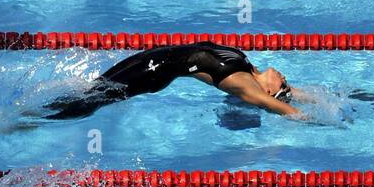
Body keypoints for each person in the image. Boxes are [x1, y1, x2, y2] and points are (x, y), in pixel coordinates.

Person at [38, 39, 303, 119]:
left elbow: (282, 108)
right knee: (93, 90)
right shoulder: (249, 68)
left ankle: (37, 118)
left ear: (268, 93)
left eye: (282, 84)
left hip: (154, 72)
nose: (284, 78)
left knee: (94, 100)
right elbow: (290, 96)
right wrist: (320, 98)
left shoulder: (244, 85)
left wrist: (318, 120)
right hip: (152, 57)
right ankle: (42, 109)